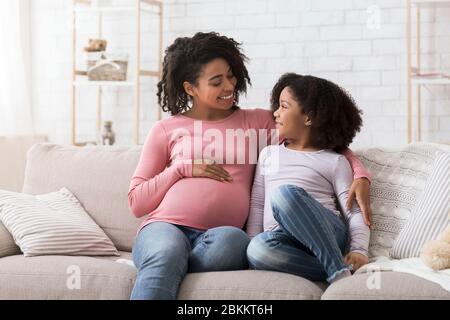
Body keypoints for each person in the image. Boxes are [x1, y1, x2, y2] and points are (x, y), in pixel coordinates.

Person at [127, 32, 372, 299]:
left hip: (220, 236)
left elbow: (318, 137)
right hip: (165, 225)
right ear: (190, 88)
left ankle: (172, 263)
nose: (229, 86)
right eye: (216, 81)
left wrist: (360, 173)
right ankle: (165, 260)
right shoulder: (165, 129)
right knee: (167, 251)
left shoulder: (256, 123)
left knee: (236, 245)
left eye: (231, 75)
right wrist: (180, 169)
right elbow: (137, 202)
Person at [246, 73, 371, 284]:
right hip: (283, 240)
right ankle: (339, 267)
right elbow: (258, 204)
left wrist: (360, 250)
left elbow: (353, 210)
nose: (275, 113)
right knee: (258, 250)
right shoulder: (268, 154)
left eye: (284, 106)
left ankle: (336, 273)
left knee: (285, 194)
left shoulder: (335, 161)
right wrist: (251, 243)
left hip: (327, 234)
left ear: (309, 117)